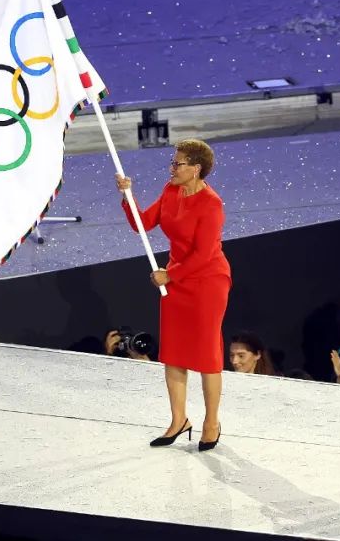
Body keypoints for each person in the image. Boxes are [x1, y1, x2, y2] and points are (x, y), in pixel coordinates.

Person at [116, 138, 231, 452]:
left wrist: (170, 275)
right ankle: (179, 420)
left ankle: (211, 423)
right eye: (173, 162)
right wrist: (127, 196)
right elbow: (142, 224)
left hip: (207, 282)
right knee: (175, 352)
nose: (172, 169)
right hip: (176, 281)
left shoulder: (211, 204)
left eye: (177, 163)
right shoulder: (171, 191)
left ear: (196, 168)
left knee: (207, 356)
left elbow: (204, 255)